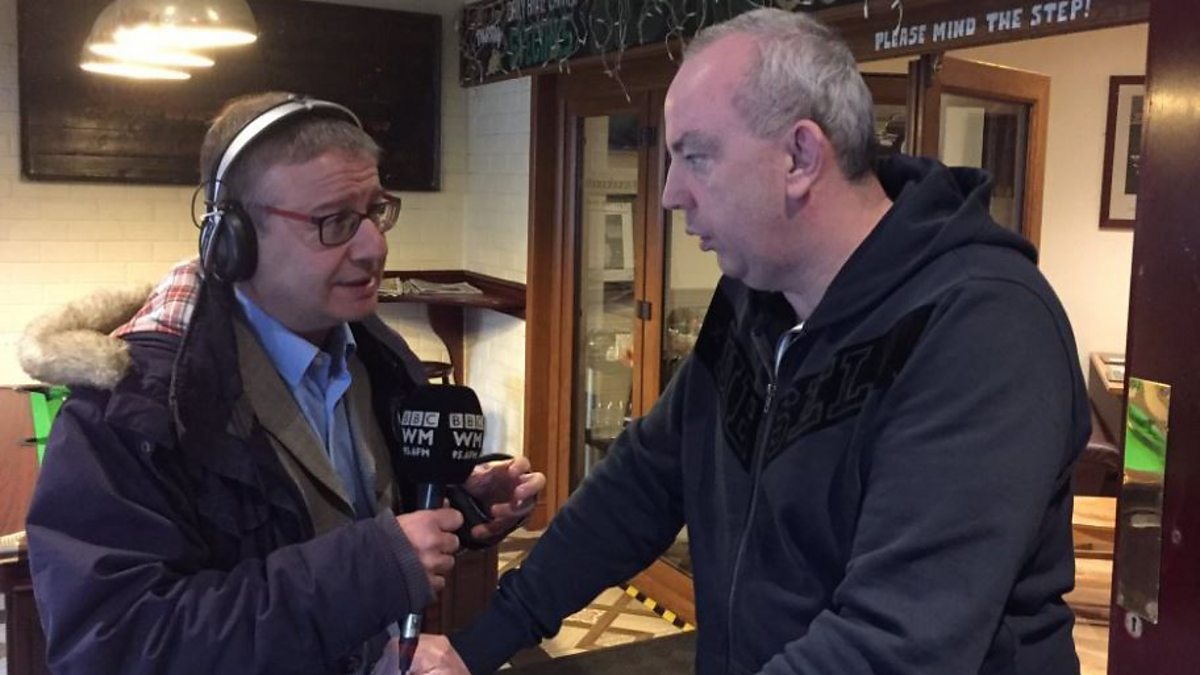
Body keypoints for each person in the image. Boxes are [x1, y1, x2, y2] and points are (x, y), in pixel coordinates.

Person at [449, 8, 1089, 675]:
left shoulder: (982, 327)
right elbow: (643, 482)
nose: (670, 194)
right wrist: (478, 644)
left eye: (696, 156)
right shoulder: (756, 296)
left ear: (800, 157)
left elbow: (895, 640)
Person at [19, 92, 544, 675]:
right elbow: (115, 648)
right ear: (234, 240)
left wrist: (456, 505)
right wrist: (370, 569)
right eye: (334, 221)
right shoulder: (133, 408)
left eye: (374, 211)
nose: (374, 247)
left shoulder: (381, 357)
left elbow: (358, 518)